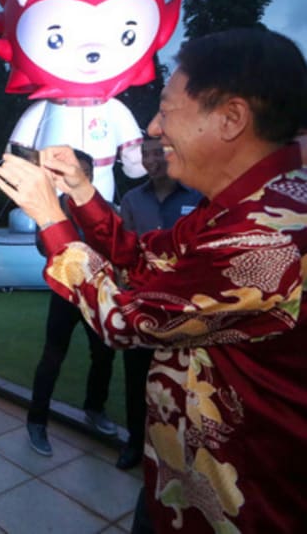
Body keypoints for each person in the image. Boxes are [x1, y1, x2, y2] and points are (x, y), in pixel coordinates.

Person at [0, 28, 307, 533]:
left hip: (236, 508)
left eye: (166, 109)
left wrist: (51, 219)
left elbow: (124, 321)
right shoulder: (244, 210)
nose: (154, 127)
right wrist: (80, 189)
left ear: (230, 118)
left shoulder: (267, 238)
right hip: (181, 482)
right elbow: (145, 259)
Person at [115, 137, 202, 471]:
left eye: (157, 152)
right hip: (143, 306)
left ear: (170, 153)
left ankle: (181, 453)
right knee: (137, 380)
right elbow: (125, 251)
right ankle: (136, 443)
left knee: (184, 383)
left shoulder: (196, 195)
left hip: (185, 309)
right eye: (146, 154)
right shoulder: (133, 199)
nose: (151, 159)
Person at [24, 150, 117, 457]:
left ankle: (95, 408)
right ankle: (37, 422)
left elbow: (115, 246)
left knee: (104, 355)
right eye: (79, 170)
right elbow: (42, 246)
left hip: (97, 297)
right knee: (51, 358)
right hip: (65, 296)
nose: (84, 176)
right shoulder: (55, 208)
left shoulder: (101, 208)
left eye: (88, 172)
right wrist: (58, 234)